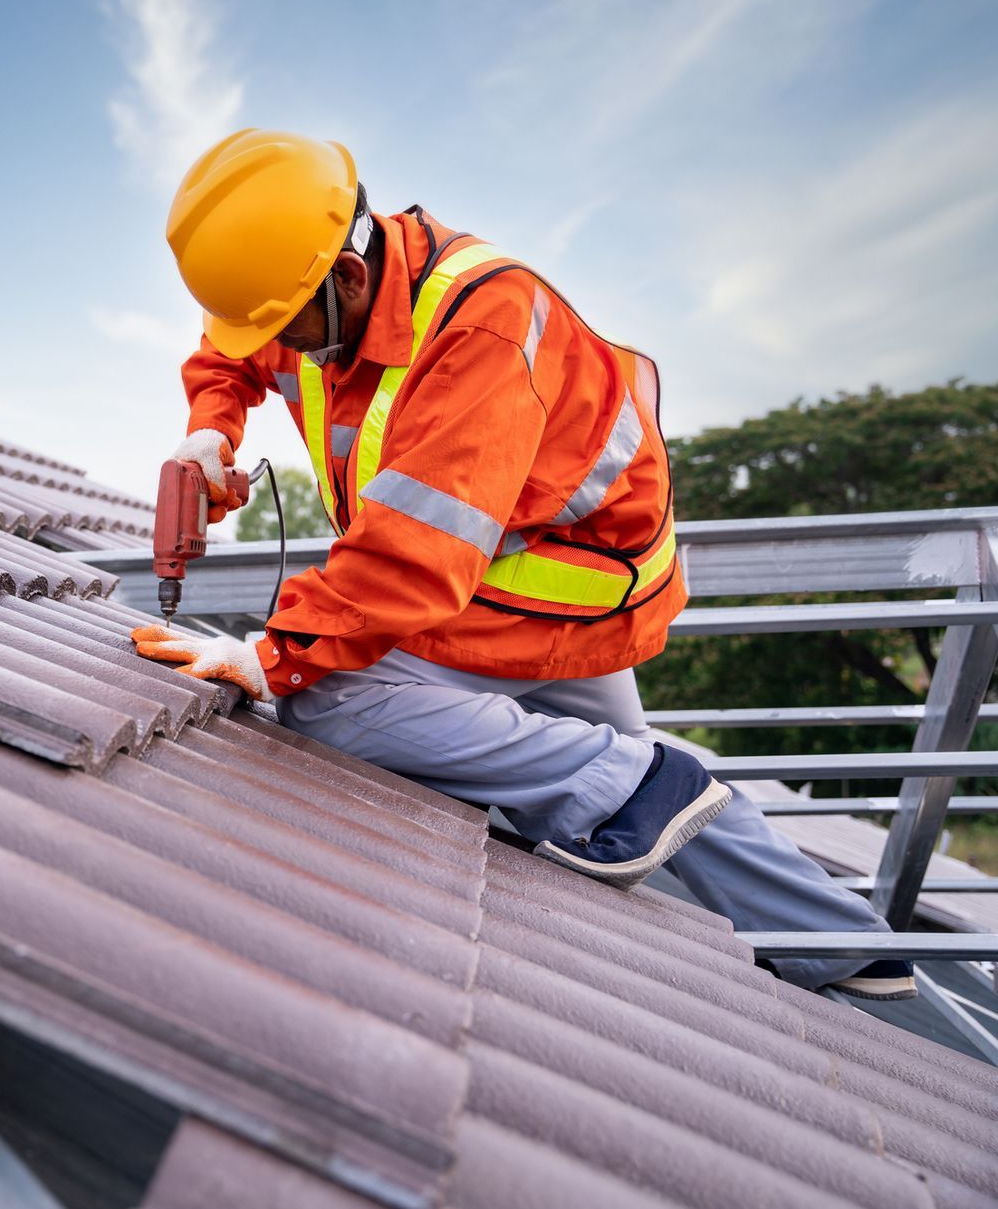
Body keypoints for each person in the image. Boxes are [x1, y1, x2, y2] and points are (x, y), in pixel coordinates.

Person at [128, 129, 910, 1000]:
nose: (285, 350)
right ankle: (850, 946)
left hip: (557, 583)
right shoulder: (317, 281)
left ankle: (633, 785)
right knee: (638, 780)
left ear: (347, 278)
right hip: (522, 578)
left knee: (327, 700)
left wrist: (269, 657)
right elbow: (232, 345)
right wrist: (210, 427)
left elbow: (410, 564)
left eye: (290, 329)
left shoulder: (484, 329)